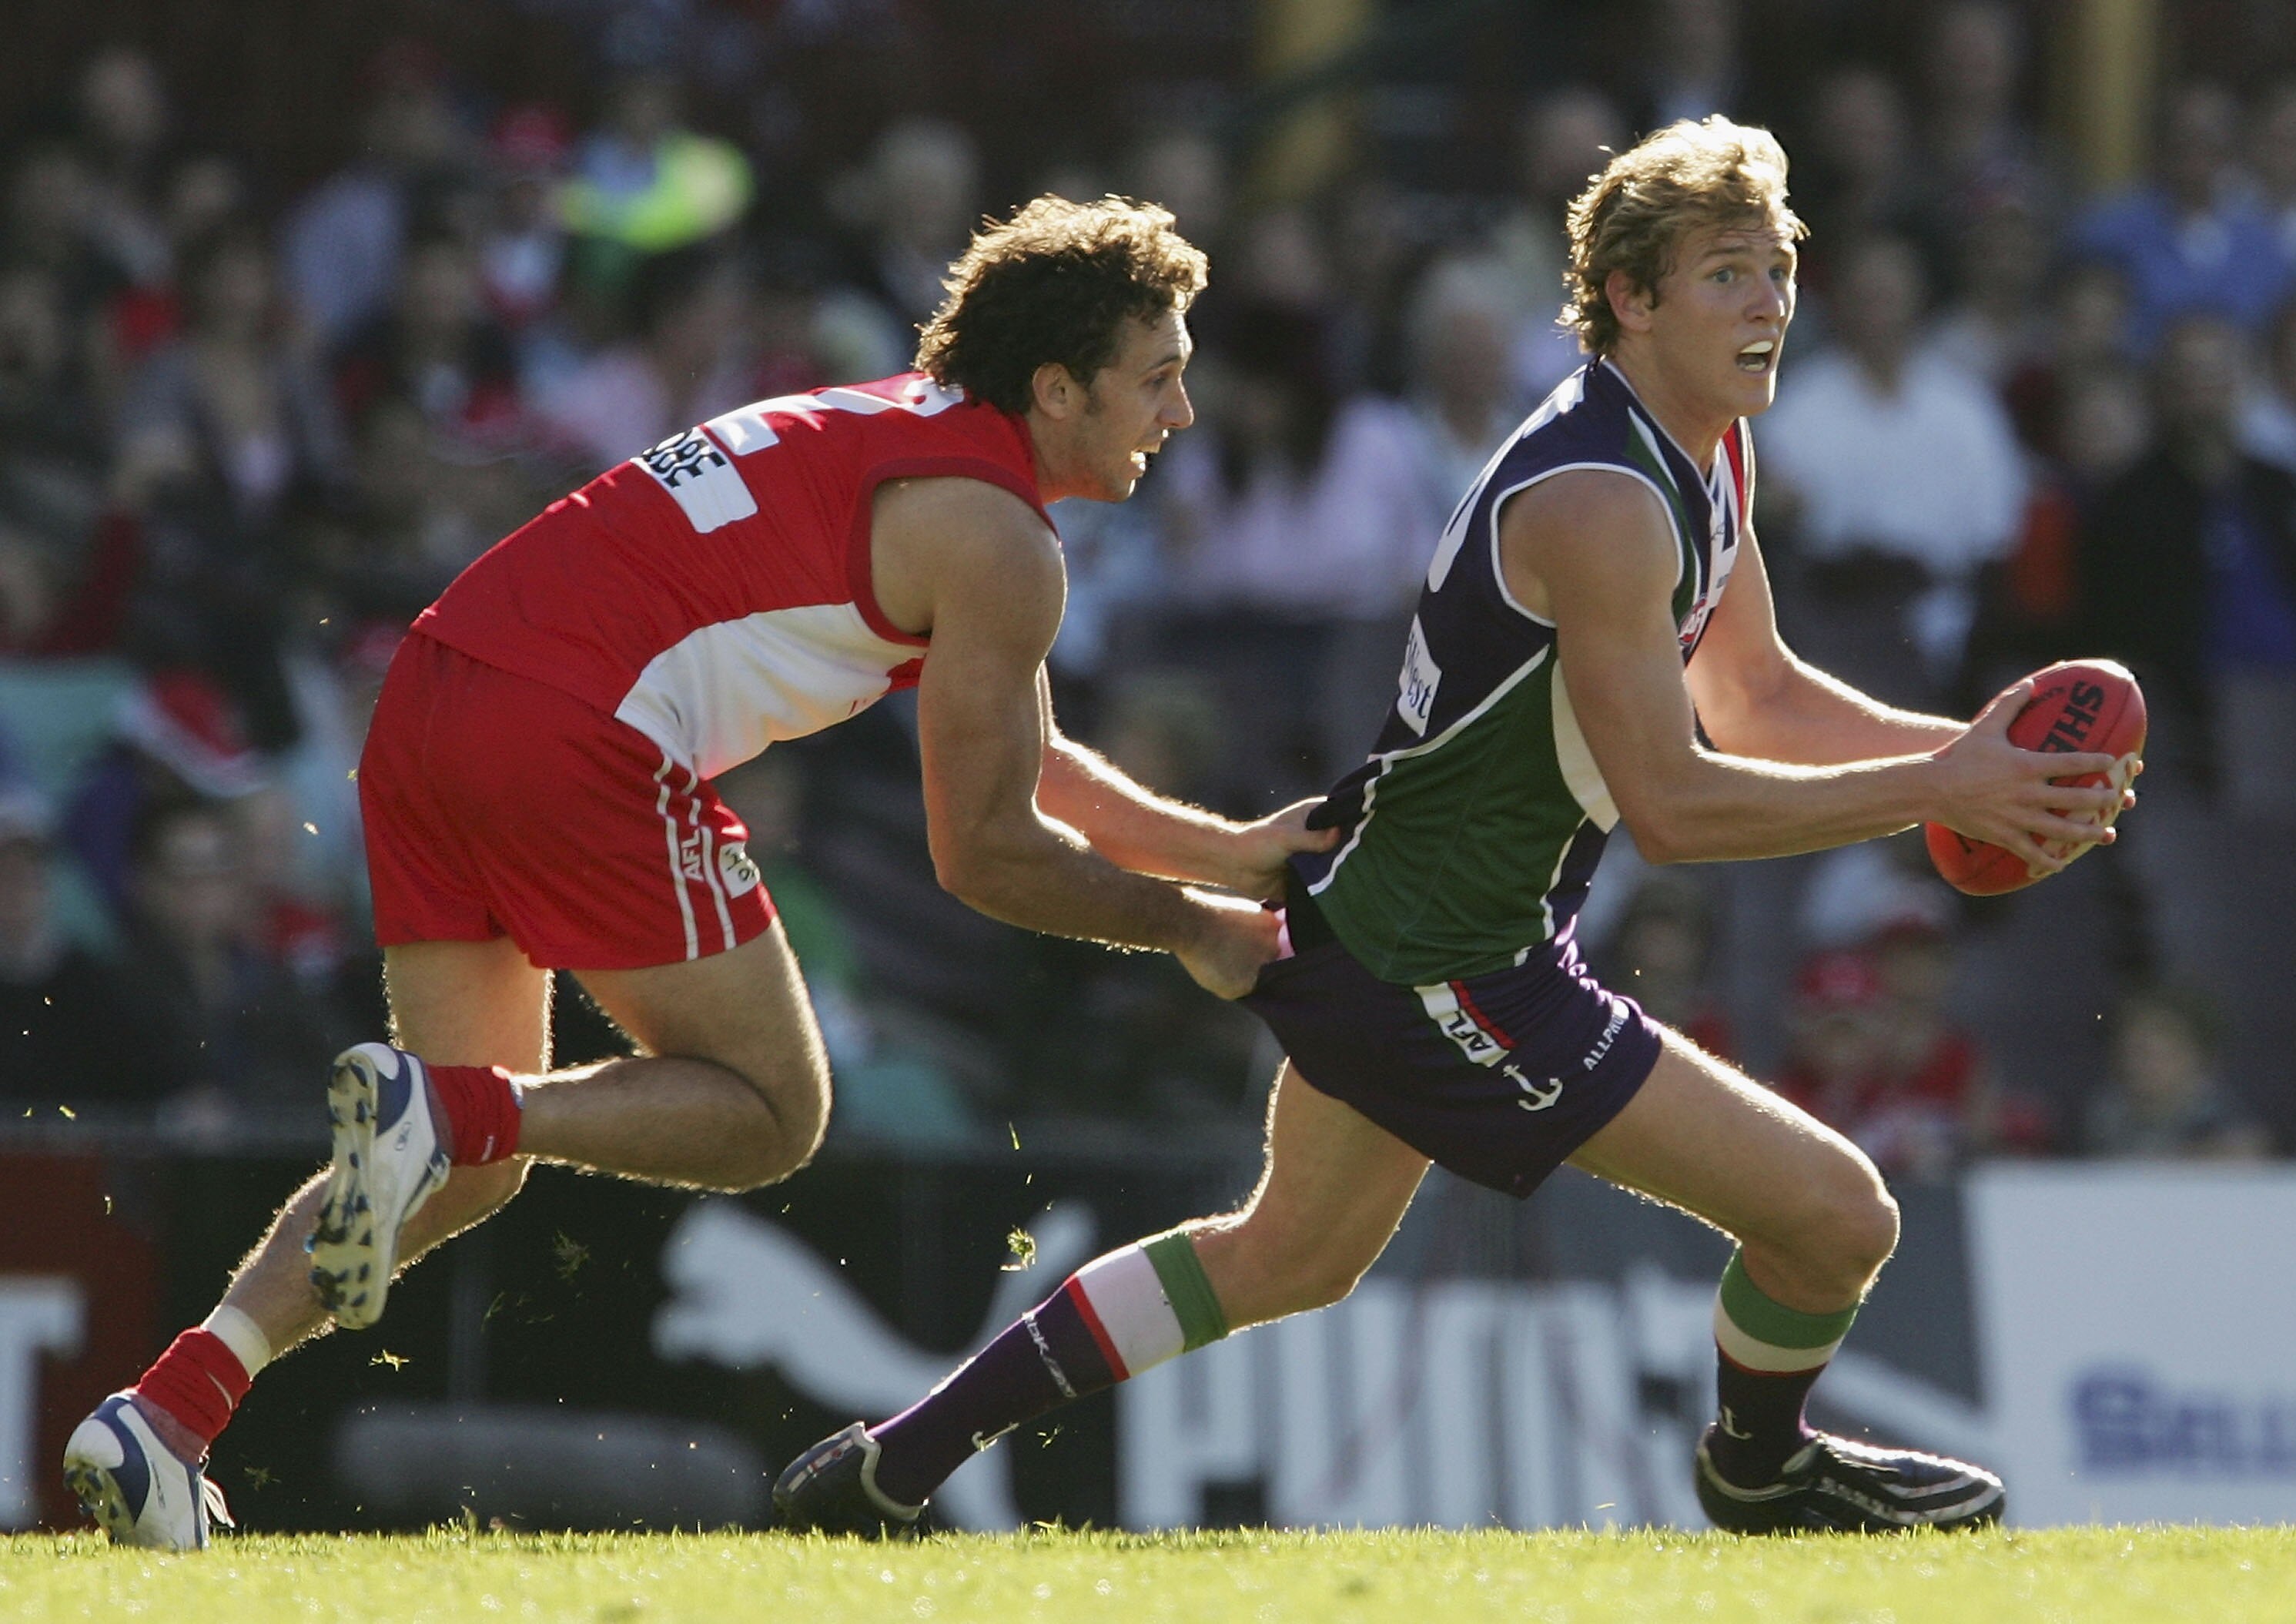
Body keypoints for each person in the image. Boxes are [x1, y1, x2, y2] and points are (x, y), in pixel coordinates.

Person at [774, 118, 2133, 1540]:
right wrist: (1946, 790)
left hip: (1411, 927)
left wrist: (1980, 761)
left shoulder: (1697, 451)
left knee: (1283, 1255)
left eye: (1781, 268)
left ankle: (889, 1464)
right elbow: (1673, 804)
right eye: (1731, 273)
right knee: (1839, 1215)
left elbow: (1762, 695)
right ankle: (1759, 1471)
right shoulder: (1605, 499)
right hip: (1443, 958)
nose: (1773, 302)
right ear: (1633, 296)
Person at [61, 195, 1324, 1549]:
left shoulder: (912, 430)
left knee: (456, 1155)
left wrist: (1232, 849)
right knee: (773, 1110)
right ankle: (460, 1113)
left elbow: (1028, 751)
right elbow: (987, 852)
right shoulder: (1003, 539)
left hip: (431, 697)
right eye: (1159, 376)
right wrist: (1195, 927)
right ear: (1058, 386)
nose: (1181, 413)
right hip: (574, 728)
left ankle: (167, 1414)